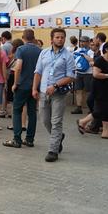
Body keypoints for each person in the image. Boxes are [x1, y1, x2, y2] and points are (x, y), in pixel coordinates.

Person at [32, 28, 75, 162]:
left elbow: (71, 76)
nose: (60, 39)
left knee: (56, 121)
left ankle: (53, 150)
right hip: (44, 92)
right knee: (45, 120)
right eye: (57, 37)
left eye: (62, 37)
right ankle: (58, 137)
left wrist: (56, 85)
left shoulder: (68, 56)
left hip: (58, 93)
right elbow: (38, 72)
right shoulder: (44, 53)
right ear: (52, 39)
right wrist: (34, 89)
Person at [3, 29, 42, 148]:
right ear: (34, 38)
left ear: (23, 37)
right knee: (32, 112)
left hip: (22, 85)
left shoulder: (21, 49)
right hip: (35, 85)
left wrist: (15, 83)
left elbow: (18, 67)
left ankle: (17, 139)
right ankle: (30, 139)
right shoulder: (40, 51)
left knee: (17, 110)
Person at [71, 36, 94, 115]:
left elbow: (92, 60)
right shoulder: (77, 50)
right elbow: (73, 60)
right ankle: (79, 107)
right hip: (79, 73)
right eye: (81, 41)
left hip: (88, 73)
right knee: (78, 90)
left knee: (89, 91)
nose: (82, 43)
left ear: (88, 42)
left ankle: (91, 108)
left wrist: (84, 55)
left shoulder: (91, 51)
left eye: (84, 41)